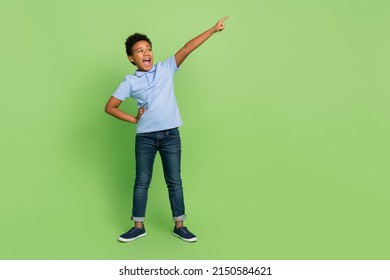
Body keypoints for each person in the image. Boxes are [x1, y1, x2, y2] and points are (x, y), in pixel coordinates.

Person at [105, 16, 228, 243]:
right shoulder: (130, 82)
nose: (146, 53)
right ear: (131, 58)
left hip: (171, 135)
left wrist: (212, 29)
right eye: (140, 51)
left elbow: (187, 48)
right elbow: (110, 107)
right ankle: (138, 226)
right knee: (142, 180)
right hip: (146, 138)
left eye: (148, 49)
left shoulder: (165, 69)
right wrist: (133, 119)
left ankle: (179, 226)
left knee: (174, 181)